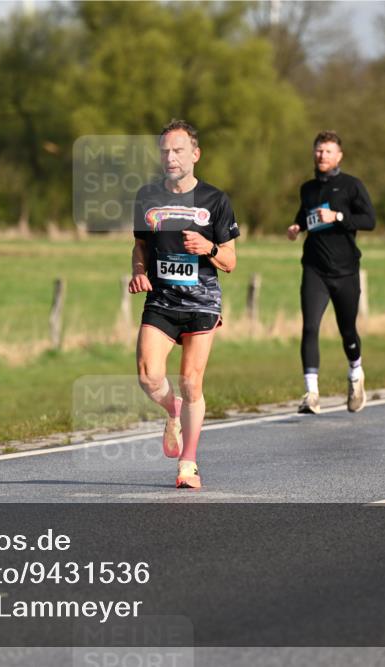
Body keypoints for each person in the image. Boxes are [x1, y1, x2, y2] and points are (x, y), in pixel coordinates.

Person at [129, 119, 239, 489]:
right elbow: (140, 246)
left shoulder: (215, 200)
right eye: (164, 151)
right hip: (161, 298)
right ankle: (173, 410)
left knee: (191, 382)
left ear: (195, 154)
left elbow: (230, 261)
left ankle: (188, 463)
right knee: (148, 375)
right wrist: (139, 271)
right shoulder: (147, 197)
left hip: (201, 301)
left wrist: (208, 247)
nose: (170, 157)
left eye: (178, 150)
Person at [286, 131, 376, 414]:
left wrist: (337, 216)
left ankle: (355, 373)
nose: (322, 155)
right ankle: (311, 394)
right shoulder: (308, 188)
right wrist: (297, 227)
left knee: (347, 330)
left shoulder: (351, 186)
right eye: (318, 150)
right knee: (310, 327)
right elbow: (305, 215)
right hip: (315, 268)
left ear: (339, 156)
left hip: (345, 271)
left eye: (327, 151)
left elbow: (370, 220)